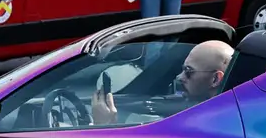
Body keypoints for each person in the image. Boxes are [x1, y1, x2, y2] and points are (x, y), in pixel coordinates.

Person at [91, 40, 234, 125]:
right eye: (182, 70)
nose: (179, 77)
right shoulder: (228, 112)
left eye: (188, 71)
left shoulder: (205, 125)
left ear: (216, 79)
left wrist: (104, 125)